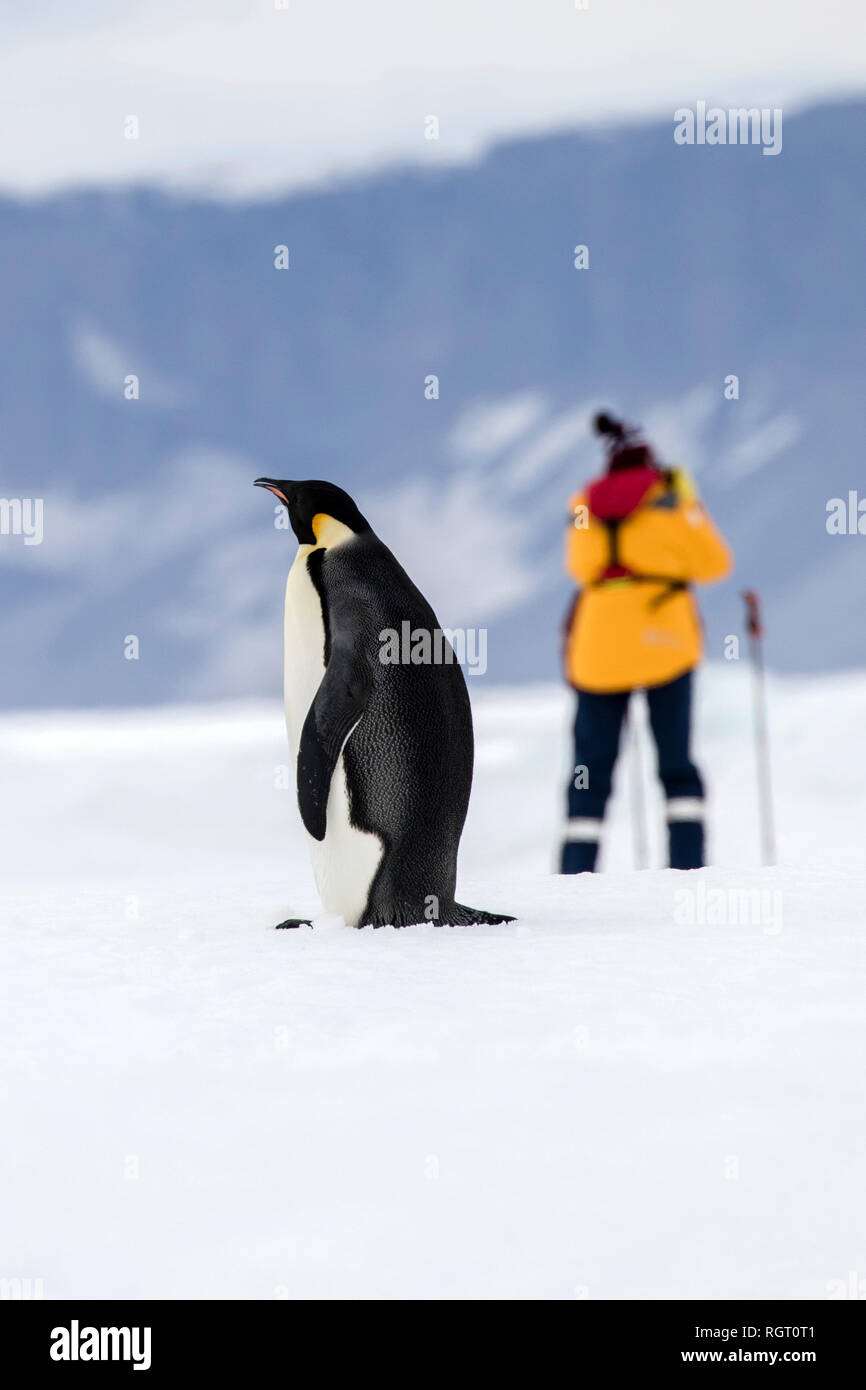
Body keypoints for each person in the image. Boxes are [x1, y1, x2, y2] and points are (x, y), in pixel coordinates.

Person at [560, 412, 732, 872]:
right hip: (664, 643)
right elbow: (715, 563)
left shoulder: (582, 503)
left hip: (598, 648)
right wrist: (689, 505)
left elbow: (578, 566)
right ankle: (687, 870)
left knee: (589, 771)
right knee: (676, 765)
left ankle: (574, 876)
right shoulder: (670, 499)